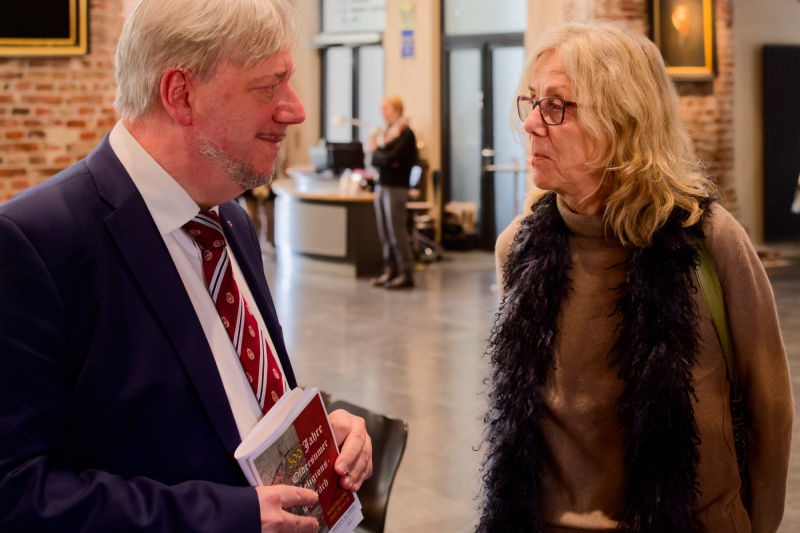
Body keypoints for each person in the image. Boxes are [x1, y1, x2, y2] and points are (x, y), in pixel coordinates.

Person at [0, 1, 372, 531]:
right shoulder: (35, 243)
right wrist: (231, 516)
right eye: (269, 87)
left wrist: (313, 438)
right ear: (181, 95)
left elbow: (228, 399)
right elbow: (16, 490)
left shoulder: (229, 220)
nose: (295, 110)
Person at [478, 20, 793, 533]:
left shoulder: (709, 241)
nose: (533, 123)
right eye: (532, 102)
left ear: (622, 121)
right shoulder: (519, 247)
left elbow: (769, 409)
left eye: (556, 106)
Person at [369, 95, 420, 289]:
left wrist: (379, 154)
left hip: (396, 187)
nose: (383, 113)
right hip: (382, 185)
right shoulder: (387, 133)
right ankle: (389, 271)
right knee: (384, 231)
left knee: (396, 231)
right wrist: (380, 156)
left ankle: (406, 273)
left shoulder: (406, 134)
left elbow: (388, 159)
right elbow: (379, 159)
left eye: (386, 109)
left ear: (397, 110)